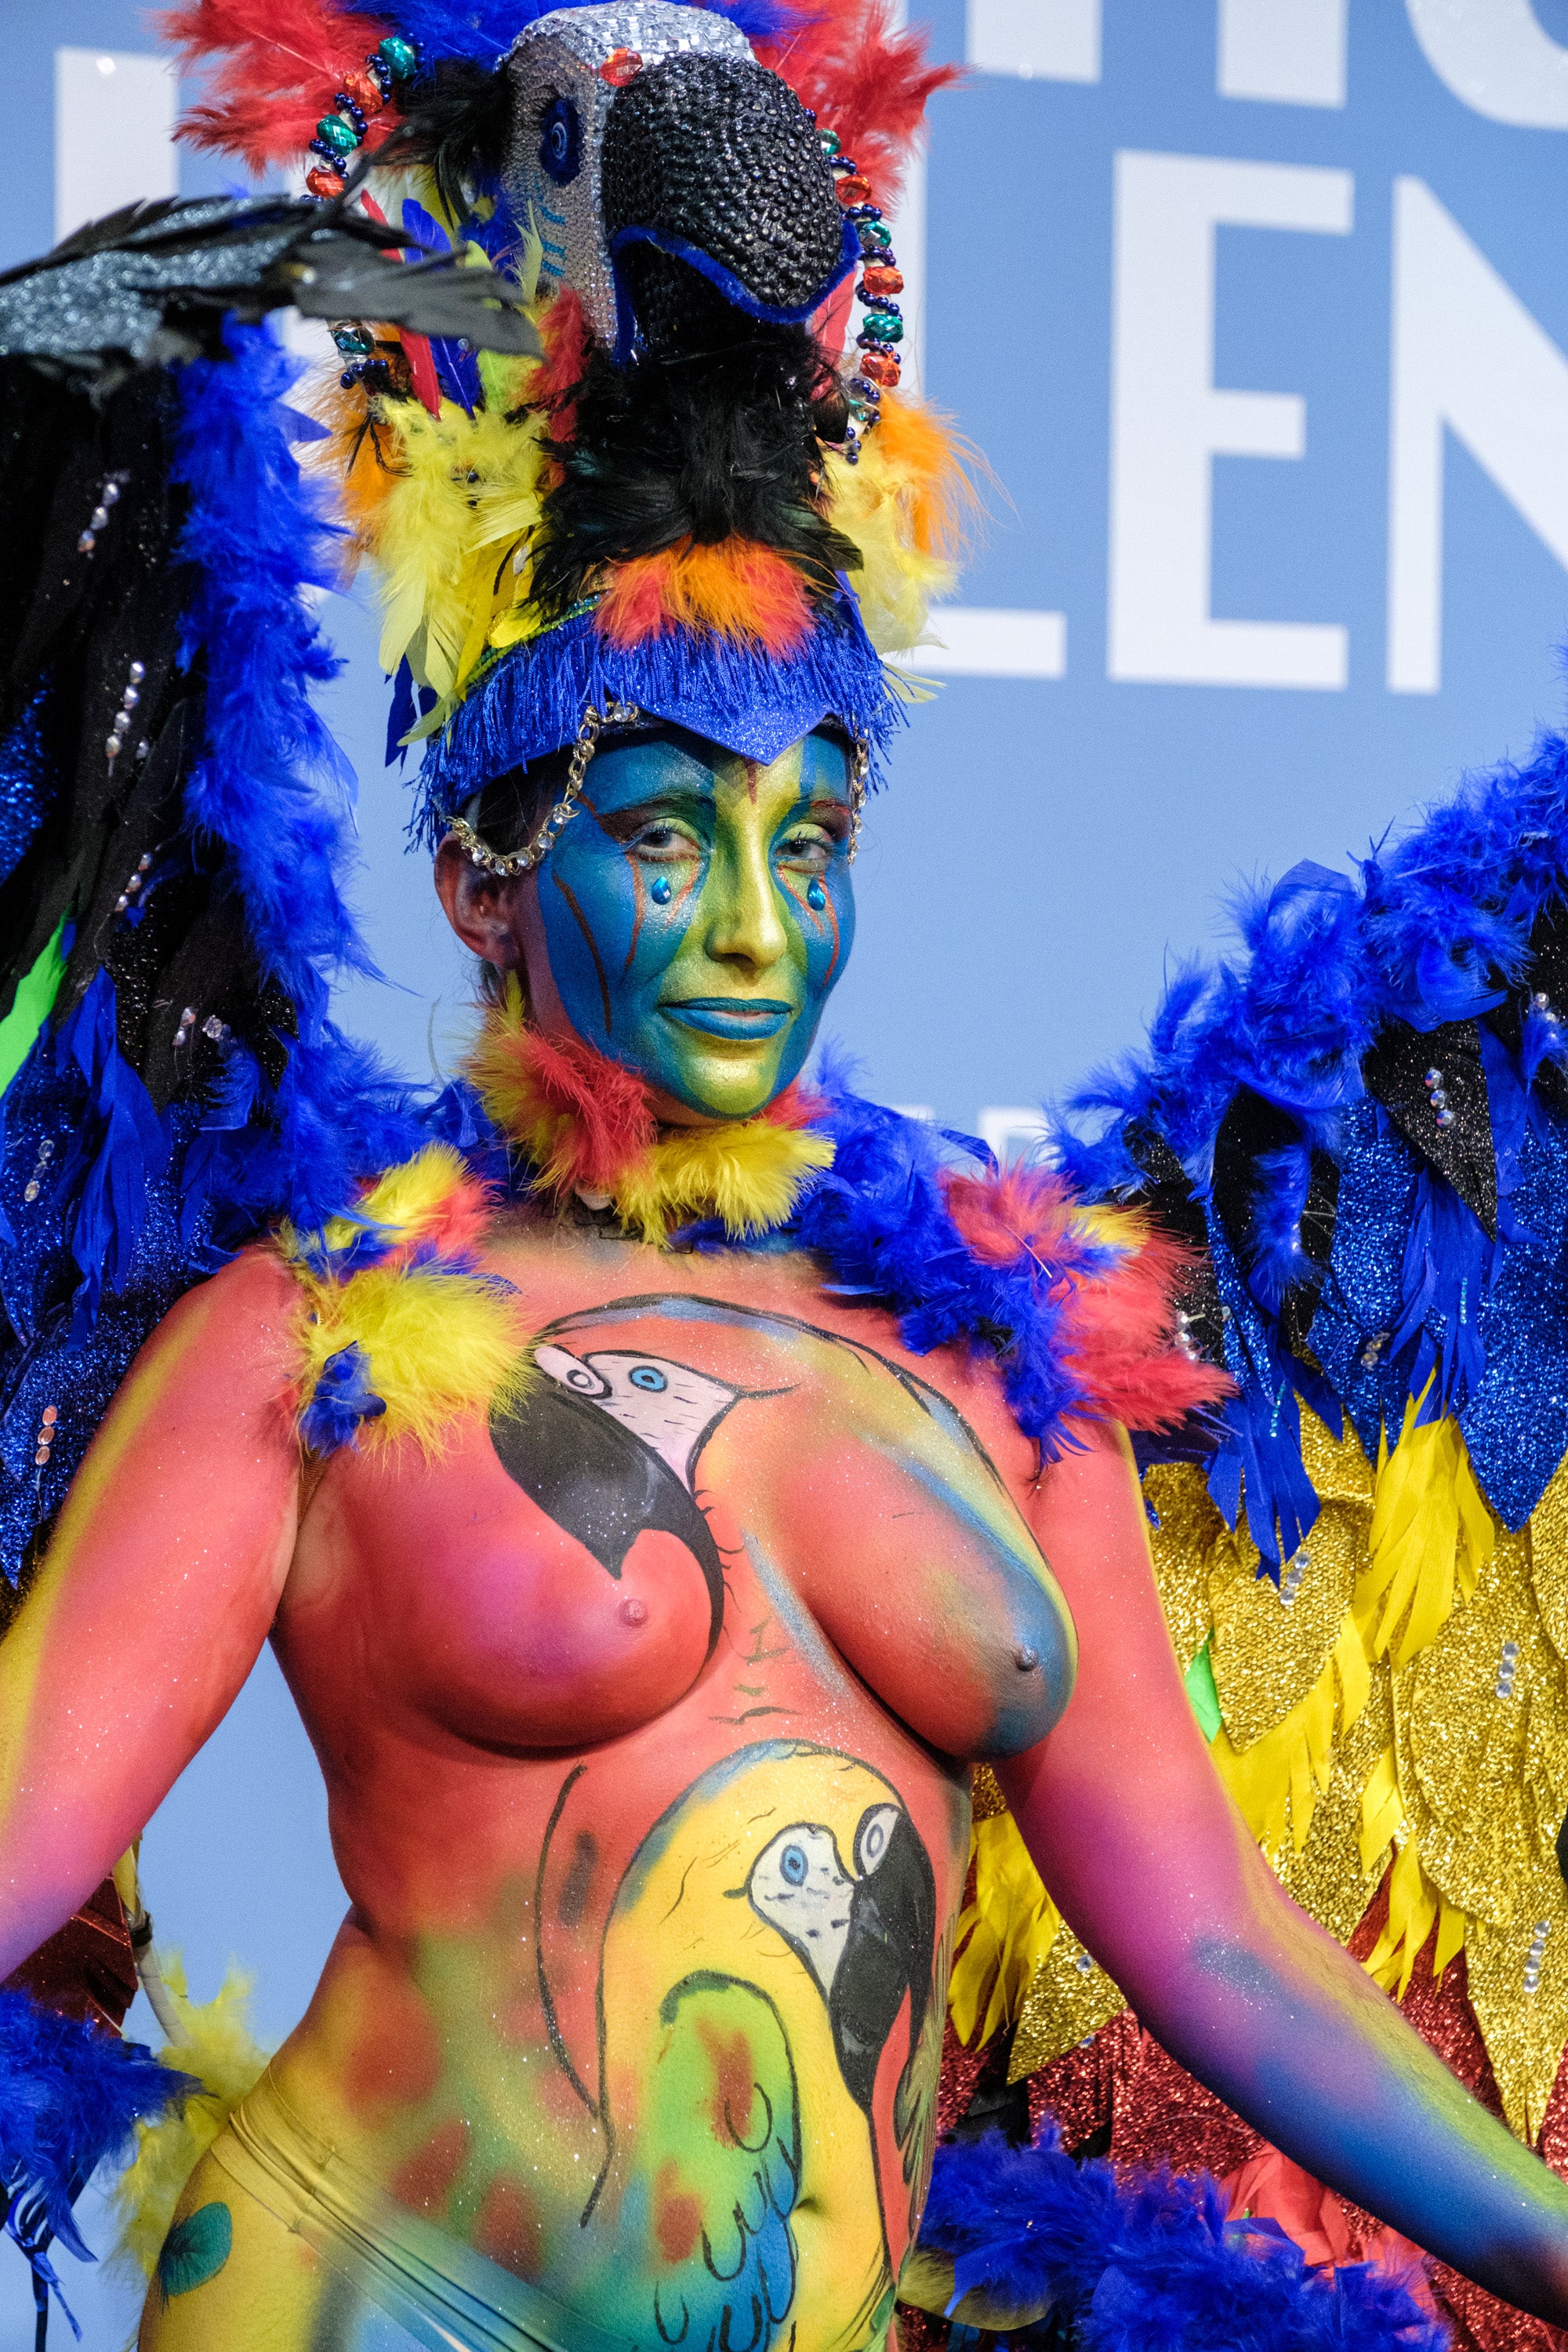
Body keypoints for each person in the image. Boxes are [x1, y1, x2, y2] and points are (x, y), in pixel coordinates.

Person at [4, 6, 1568, 2350]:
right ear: (484, 885)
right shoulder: (307, 1339)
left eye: (807, 840)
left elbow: (1216, 1936)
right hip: (369, 2295)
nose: (757, 922)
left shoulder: (999, 1338)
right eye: (662, 833)